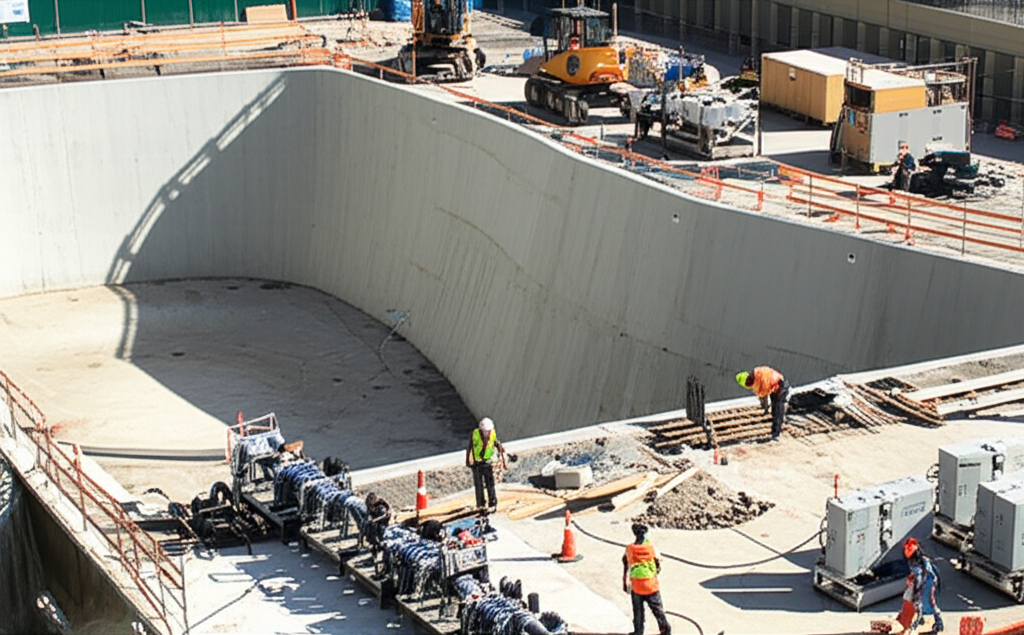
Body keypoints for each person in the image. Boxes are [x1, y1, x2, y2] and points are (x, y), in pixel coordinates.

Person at [622, 523, 671, 635]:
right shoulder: (651, 548)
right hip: (650, 584)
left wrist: (625, 582)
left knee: (638, 611)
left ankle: (638, 631)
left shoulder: (630, 549)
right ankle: (665, 630)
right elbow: (658, 564)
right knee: (658, 610)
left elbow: (626, 565)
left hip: (637, 585)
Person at [736, 366, 789, 441]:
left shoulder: (760, 382)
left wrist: (765, 407)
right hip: (775, 384)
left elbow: (763, 394)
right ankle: (776, 427)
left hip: (780, 387)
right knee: (775, 410)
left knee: (778, 411)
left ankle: (776, 434)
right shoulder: (757, 372)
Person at [905, 537, 943, 634]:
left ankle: (938, 624)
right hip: (927, 581)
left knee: (926, 602)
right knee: (920, 602)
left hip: (928, 582)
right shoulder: (920, 560)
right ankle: (921, 620)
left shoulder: (918, 563)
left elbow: (920, 576)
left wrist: (917, 589)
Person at [466, 417, 504, 511]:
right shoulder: (475, 435)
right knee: (479, 485)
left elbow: (495, 442)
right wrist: (469, 460)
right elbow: (470, 447)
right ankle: (481, 504)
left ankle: (493, 503)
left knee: (490, 483)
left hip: (487, 462)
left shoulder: (492, 434)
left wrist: (500, 448)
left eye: (489, 431)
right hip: (477, 463)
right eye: (485, 431)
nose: (487, 433)